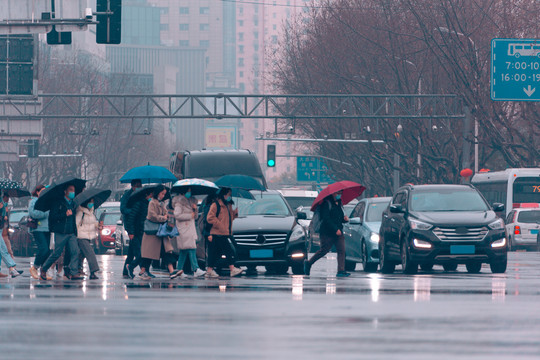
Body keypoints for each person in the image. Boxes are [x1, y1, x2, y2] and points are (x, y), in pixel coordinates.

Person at [40, 184, 83, 281]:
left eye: (74, 190)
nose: (73, 192)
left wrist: (74, 230)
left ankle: (74, 272)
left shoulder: (73, 203)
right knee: (57, 253)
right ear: (65, 191)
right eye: (71, 190)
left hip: (71, 232)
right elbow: (53, 217)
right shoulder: (58, 203)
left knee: (75, 251)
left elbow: (73, 218)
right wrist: (65, 214)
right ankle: (44, 268)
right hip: (61, 232)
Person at [304, 190, 350, 277]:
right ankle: (309, 263)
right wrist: (335, 229)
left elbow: (338, 218)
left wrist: (344, 219)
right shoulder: (326, 204)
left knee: (341, 250)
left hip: (338, 232)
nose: (339, 195)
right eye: (337, 193)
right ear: (332, 193)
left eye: (341, 193)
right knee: (324, 250)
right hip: (327, 232)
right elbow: (326, 219)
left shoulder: (339, 204)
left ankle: (341, 270)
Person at [139, 185, 177, 280]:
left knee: (167, 251)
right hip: (153, 233)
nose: (163, 195)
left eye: (164, 194)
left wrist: (166, 215)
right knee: (149, 254)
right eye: (162, 193)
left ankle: (172, 271)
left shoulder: (161, 203)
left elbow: (165, 213)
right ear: (158, 193)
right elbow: (152, 216)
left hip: (160, 233)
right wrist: (163, 218)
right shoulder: (152, 202)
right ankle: (142, 271)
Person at [205, 187, 242, 278]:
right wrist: (219, 224)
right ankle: (232, 269)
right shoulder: (216, 205)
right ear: (224, 194)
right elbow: (210, 218)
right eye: (229, 194)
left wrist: (234, 214)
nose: (230, 196)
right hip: (217, 233)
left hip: (225, 233)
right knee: (228, 250)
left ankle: (209, 270)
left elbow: (229, 219)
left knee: (215, 253)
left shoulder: (228, 205)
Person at [171, 187, 206, 279]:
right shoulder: (179, 203)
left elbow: (194, 217)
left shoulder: (191, 202)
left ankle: (179, 270)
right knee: (191, 248)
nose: (189, 193)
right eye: (188, 191)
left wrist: (194, 209)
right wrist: (189, 215)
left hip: (190, 228)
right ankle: (195, 269)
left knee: (184, 250)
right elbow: (177, 215)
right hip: (183, 228)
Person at [124, 189, 151, 279]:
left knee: (132, 254)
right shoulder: (138, 204)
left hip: (142, 232)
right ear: (147, 195)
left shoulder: (148, 204)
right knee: (141, 253)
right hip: (136, 232)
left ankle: (129, 270)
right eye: (151, 195)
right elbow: (131, 219)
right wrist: (131, 232)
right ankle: (130, 267)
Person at [28, 185, 51, 279]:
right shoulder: (33, 201)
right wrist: (46, 213)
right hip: (38, 228)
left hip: (48, 228)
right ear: (37, 192)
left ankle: (44, 271)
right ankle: (35, 267)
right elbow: (33, 213)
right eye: (42, 191)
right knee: (43, 249)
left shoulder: (48, 201)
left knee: (47, 251)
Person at [76, 198, 102, 279]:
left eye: (93, 202)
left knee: (82, 254)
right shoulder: (81, 212)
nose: (92, 204)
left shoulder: (91, 212)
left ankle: (78, 268)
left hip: (90, 236)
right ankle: (93, 271)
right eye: (90, 202)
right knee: (90, 253)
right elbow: (76, 224)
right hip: (81, 236)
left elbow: (93, 223)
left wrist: (98, 225)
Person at [120, 179, 142, 277]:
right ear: (132, 186)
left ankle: (126, 270)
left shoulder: (140, 195)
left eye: (140, 185)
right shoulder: (127, 196)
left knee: (132, 250)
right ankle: (142, 269)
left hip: (138, 225)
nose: (139, 187)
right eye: (137, 186)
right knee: (137, 249)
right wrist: (133, 211)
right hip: (130, 225)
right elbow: (123, 209)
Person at [1, 193, 14, 259]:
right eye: (7, 198)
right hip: (2, 230)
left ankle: (12, 266)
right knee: (4, 249)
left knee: (8, 249)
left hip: (5, 231)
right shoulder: (2, 205)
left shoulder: (5, 207)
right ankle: (11, 266)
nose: (8, 199)